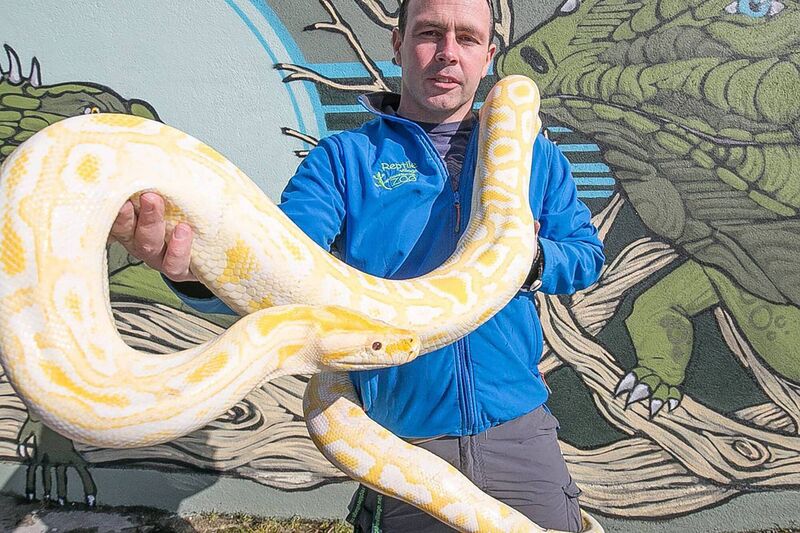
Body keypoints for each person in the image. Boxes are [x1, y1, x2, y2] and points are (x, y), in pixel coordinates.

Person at [110, 0, 604, 530]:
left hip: (518, 430)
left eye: (466, 38)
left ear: (488, 56)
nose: (447, 54)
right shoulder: (344, 158)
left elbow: (585, 256)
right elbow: (280, 253)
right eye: (429, 33)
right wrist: (192, 267)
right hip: (398, 437)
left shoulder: (535, 157)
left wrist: (528, 260)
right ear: (397, 44)